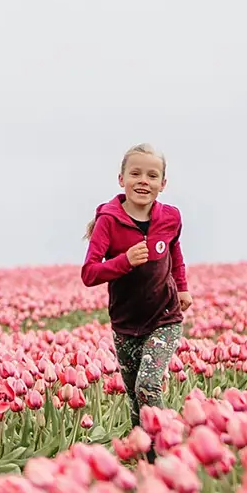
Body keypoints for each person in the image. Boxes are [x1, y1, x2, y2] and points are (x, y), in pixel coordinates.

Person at [80, 143, 187, 430]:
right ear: (121, 179)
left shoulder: (171, 217)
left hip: (164, 318)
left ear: (162, 184)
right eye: (136, 173)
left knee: (148, 385)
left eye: (152, 176)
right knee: (134, 398)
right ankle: (145, 458)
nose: (143, 181)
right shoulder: (108, 222)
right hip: (125, 323)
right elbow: (89, 273)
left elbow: (174, 251)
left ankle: (166, 449)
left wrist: (183, 287)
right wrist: (124, 261)